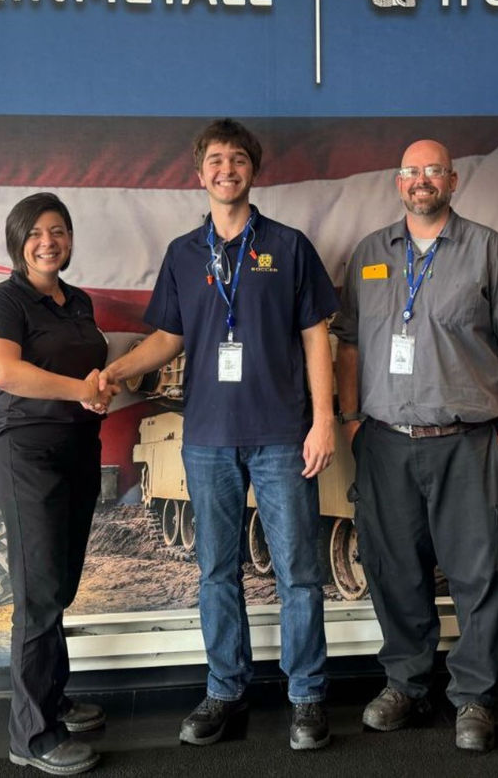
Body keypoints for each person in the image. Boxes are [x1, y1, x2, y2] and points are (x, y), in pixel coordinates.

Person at [100, 119, 338, 750]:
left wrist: (323, 418)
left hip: (282, 435)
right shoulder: (184, 254)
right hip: (205, 436)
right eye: (214, 160)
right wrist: (118, 371)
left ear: (253, 171)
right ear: (198, 172)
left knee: (299, 572)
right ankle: (225, 692)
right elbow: (169, 337)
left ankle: (307, 697)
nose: (225, 169)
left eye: (237, 159)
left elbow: (318, 337)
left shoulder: (288, 246)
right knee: (216, 572)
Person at [333, 139, 498, 753]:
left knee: (479, 575)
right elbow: (347, 345)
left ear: (452, 180)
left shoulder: (488, 250)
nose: (421, 181)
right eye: (411, 172)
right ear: (398, 184)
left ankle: (474, 698)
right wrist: (351, 421)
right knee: (393, 571)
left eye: (433, 171)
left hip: (468, 442)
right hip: (385, 443)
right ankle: (406, 683)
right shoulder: (369, 254)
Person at [0, 192, 120, 776]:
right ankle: (31, 736)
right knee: (37, 594)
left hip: (77, 450)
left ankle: (53, 699)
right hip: (25, 454)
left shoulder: (78, 300)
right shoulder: (3, 299)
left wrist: (104, 384)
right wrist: (82, 389)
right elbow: (3, 371)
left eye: (58, 231)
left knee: (57, 585)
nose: (48, 241)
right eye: (36, 232)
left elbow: (93, 369)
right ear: (18, 240)